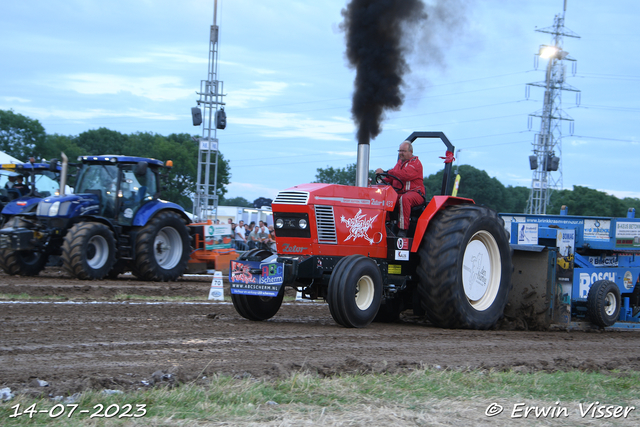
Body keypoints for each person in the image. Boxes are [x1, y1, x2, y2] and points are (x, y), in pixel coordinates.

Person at [375, 140, 425, 237]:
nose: (401, 153)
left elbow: (404, 175)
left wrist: (386, 171)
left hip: (415, 193)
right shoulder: (399, 163)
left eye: (403, 151)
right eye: (400, 151)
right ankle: (386, 224)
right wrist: (380, 181)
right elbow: (392, 177)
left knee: (404, 199)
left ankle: (403, 229)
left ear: (410, 152)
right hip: (401, 192)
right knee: (386, 195)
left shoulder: (415, 164)